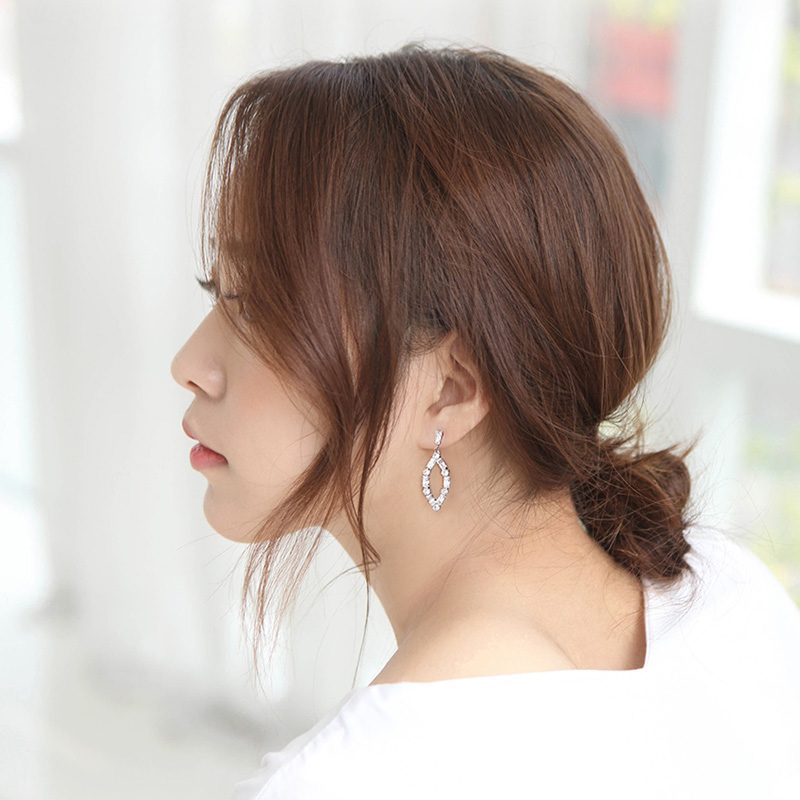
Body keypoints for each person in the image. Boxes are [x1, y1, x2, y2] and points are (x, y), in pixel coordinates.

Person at [170, 42, 800, 798]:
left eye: (255, 304)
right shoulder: (730, 595)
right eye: (215, 290)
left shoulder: (343, 781)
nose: (189, 363)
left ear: (450, 389)